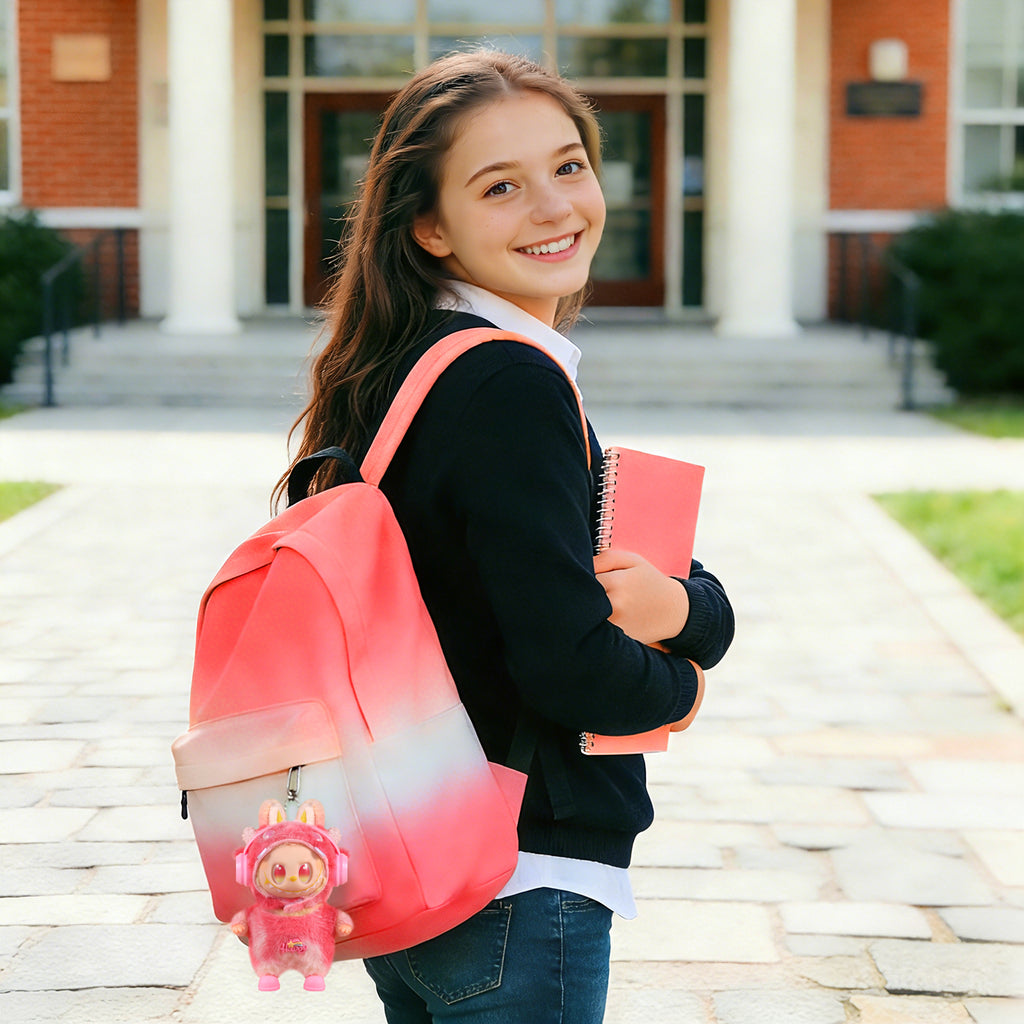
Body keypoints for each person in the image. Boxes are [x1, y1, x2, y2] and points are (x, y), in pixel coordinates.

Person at [278, 49, 734, 1024]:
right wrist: (688, 666)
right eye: (501, 186)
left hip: (406, 862)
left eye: (569, 166)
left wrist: (687, 604)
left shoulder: (396, 368)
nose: (555, 206)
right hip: (517, 878)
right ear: (431, 227)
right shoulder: (508, 382)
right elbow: (570, 668)